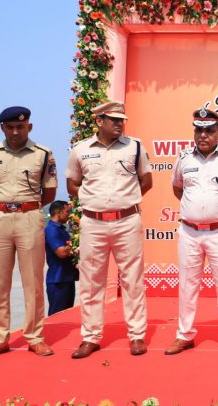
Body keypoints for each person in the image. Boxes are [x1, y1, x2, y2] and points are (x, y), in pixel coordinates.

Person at [65, 100, 153, 358]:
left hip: (127, 221)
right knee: (91, 282)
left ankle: (137, 335)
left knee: (132, 280)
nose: (119, 124)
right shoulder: (80, 150)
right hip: (93, 223)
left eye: (121, 120)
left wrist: (124, 201)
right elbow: (72, 184)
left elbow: (146, 181)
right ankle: (90, 337)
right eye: (114, 120)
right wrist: (94, 200)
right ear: (99, 121)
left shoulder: (135, 147)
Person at [164, 109, 218, 356]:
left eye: (209, 131)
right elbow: (177, 188)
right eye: (199, 130)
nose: (203, 135)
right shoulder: (184, 158)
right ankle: (184, 335)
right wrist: (196, 211)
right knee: (187, 285)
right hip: (189, 232)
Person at [0, 106, 57, 361]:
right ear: (2, 128)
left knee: (33, 282)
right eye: (10, 127)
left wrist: (25, 208)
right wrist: (6, 206)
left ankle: (35, 337)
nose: (15, 131)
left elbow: (49, 192)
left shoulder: (43, 154)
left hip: (29, 217)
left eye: (20, 127)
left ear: (29, 127)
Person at [44, 200, 79, 315]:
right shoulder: (51, 230)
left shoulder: (61, 230)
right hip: (58, 280)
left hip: (66, 278)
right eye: (67, 211)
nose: (69, 214)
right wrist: (77, 244)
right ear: (58, 212)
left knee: (67, 315)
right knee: (57, 315)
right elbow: (61, 252)